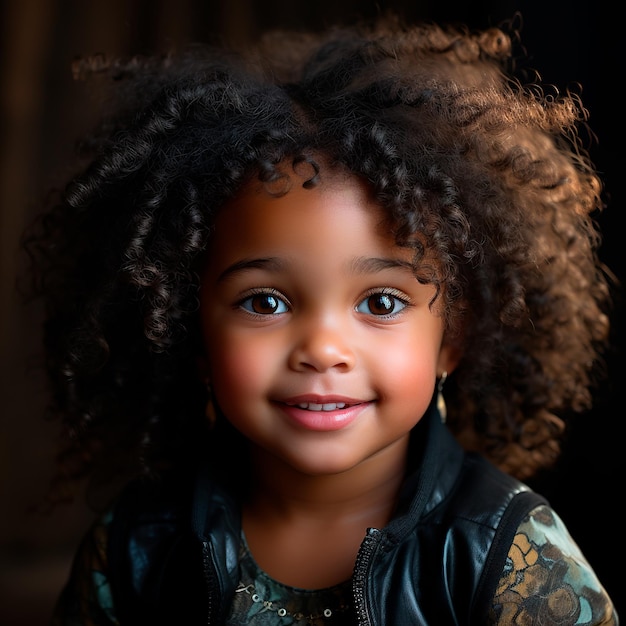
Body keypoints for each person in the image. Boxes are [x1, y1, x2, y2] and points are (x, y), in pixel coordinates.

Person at [22, 11, 619, 625]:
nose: (322, 348)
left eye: (381, 303)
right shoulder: (133, 548)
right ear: (190, 328)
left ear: (453, 341)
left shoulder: (509, 554)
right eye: (264, 302)